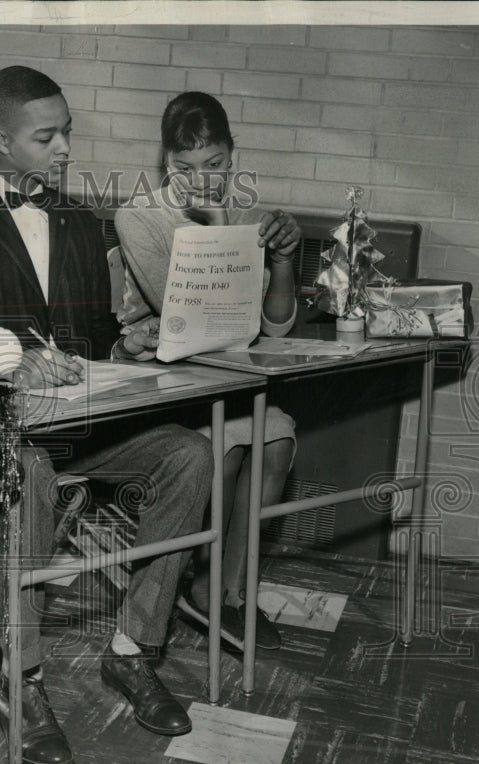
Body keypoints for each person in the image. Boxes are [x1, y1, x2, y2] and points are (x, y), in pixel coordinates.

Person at [0, 67, 214, 764]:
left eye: (67, 131)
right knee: (30, 469)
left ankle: (133, 651)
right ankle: (27, 676)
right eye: (48, 136)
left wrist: (125, 346)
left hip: (80, 428)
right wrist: (4, 359)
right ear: (1, 140)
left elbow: (98, 333)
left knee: (190, 455)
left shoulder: (78, 221)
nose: (65, 148)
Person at [113, 91, 302, 652]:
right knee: (226, 440)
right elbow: (189, 320)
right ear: (164, 163)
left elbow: (277, 329)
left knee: (277, 436)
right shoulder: (139, 216)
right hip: (166, 383)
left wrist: (285, 257)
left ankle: (230, 593)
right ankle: (187, 583)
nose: (200, 179)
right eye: (184, 168)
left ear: (231, 156)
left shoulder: (252, 214)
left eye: (214, 165)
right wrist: (221, 222)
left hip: (231, 380)